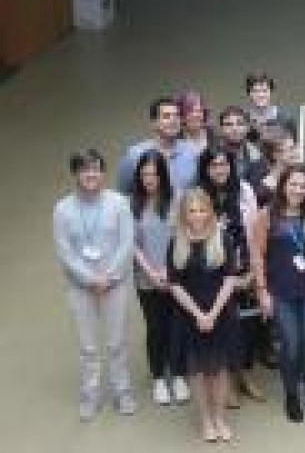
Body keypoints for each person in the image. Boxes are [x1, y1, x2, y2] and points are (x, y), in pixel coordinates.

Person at [53, 150, 137, 421]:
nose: (91, 175)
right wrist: (91, 279)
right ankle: (89, 395)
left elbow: (127, 244)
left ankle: (122, 392)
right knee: (87, 346)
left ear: (103, 173)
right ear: (75, 174)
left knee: (116, 343)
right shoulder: (62, 209)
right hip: (80, 287)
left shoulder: (119, 203)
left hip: (115, 284)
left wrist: (109, 277)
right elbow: (64, 251)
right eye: (85, 170)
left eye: (96, 169)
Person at [252, 164, 305, 423]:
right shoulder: (266, 216)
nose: (297, 189)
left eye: (303, 186)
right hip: (281, 290)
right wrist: (262, 291)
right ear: (283, 185)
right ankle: (291, 395)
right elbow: (257, 256)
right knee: (291, 346)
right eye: (293, 184)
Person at [166, 188, 242, 442]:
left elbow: (230, 278)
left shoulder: (223, 238)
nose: (197, 215)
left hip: (220, 314)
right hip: (189, 316)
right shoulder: (176, 241)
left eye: (202, 210)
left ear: (209, 211)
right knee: (197, 372)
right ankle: (206, 420)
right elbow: (174, 284)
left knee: (219, 370)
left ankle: (220, 418)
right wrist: (199, 314)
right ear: (184, 214)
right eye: (191, 211)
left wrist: (212, 313)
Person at [196, 148, 265, 405]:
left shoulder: (245, 190)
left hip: (244, 268)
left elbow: (256, 230)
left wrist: (251, 271)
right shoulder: (198, 196)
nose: (219, 169)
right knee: (223, 328)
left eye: (224, 164)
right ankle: (228, 384)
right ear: (205, 168)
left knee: (247, 328)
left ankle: (245, 378)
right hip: (212, 274)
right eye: (213, 165)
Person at [131, 150, 189, 406]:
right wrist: (152, 272)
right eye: (144, 174)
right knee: (156, 329)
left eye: (154, 174)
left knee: (177, 326)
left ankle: (178, 374)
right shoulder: (131, 204)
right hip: (147, 279)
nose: (149, 179)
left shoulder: (176, 199)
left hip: (175, 275)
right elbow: (131, 245)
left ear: (163, 175)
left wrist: (168, 270)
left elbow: (183, 236)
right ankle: (158, 378)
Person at [117, 96, 200, 195]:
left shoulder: (193, 152)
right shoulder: (135, 154)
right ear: (154, 123)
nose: (173, 120)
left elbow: (198, 191)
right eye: (166, 116)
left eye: (176, 116)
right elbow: (123, 194)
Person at [248, 125, 300, 209]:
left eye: (294, 147)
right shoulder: (261, 189)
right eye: (291, 149)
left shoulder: (300, 178)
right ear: (275, 154)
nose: (296, 152)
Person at [244, 71, 296, 143]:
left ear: (271, 92)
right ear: (249, 94)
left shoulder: (285, 118)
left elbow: (293, 145)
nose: (261, 95)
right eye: (256, 91)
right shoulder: (244, 119)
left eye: (264, 91)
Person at [217, 105, 265, 182]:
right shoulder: (210, 153)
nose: (234, 128)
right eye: (228, 124)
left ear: (247, 127)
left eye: (240, 124)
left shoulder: (257, 155)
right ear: (221, 128)